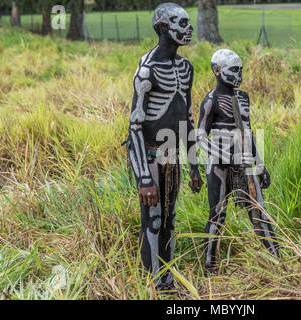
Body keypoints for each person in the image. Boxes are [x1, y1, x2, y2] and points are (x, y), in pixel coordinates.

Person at [126, 2, 203, 292]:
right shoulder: (146, 71)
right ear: (162, 28)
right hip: (148, 154)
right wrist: (144, 176)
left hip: (172, 154)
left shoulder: (186, 68)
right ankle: (157, 284)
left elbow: (188, 118)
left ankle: (167, 279)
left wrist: (194, 164)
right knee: (154, 220)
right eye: (181, 23)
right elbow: (134, 126)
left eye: (188, 22)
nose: (188, 28)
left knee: (170, 219)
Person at [197, 49, 280, 274]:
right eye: (234, 69)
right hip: (219, 167)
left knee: (259, 212)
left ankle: (278, 264)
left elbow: (248, 132)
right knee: (217, 216)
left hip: (244, 164)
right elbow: (199, 137)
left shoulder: (243, 97)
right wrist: (222, 156)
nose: (239, 74)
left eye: (241, 69)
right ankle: (209, 267)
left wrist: (260, 165)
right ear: (217, 70)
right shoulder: (211, 100)